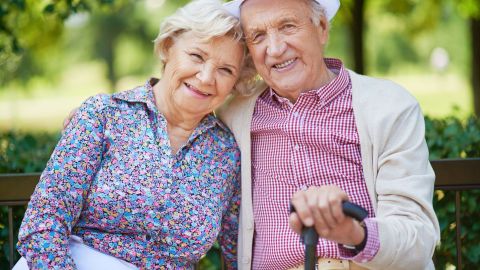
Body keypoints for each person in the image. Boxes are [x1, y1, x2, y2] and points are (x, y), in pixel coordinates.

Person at [15, 0, 257, 269]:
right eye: (197, 56)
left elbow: (236, 254)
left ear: (235, 83)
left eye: (226, 70)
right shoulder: (104, 115)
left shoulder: (225, 152)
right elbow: (43, 226)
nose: (206, 77)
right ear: (168, 48)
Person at [217, 0, 440, 269]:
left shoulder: (389, 107)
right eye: (258, 36)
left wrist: (353, 233)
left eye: (287, 26)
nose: (275, 49)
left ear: (322, 28)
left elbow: (418, 238)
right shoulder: (234, 115)